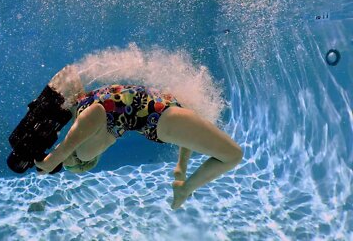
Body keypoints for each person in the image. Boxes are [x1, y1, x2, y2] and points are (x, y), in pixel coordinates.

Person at [34, 84, 243, 209]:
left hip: (165, 113)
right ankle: (185, 189)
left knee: (193, 129)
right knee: (233, 155)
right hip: (162, 118)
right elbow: (96, 112)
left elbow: (76, 96)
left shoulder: (80, 115)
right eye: (69, 162)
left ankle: (181, 170)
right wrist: (55, 157)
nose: (65, 156)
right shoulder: (83, 148)